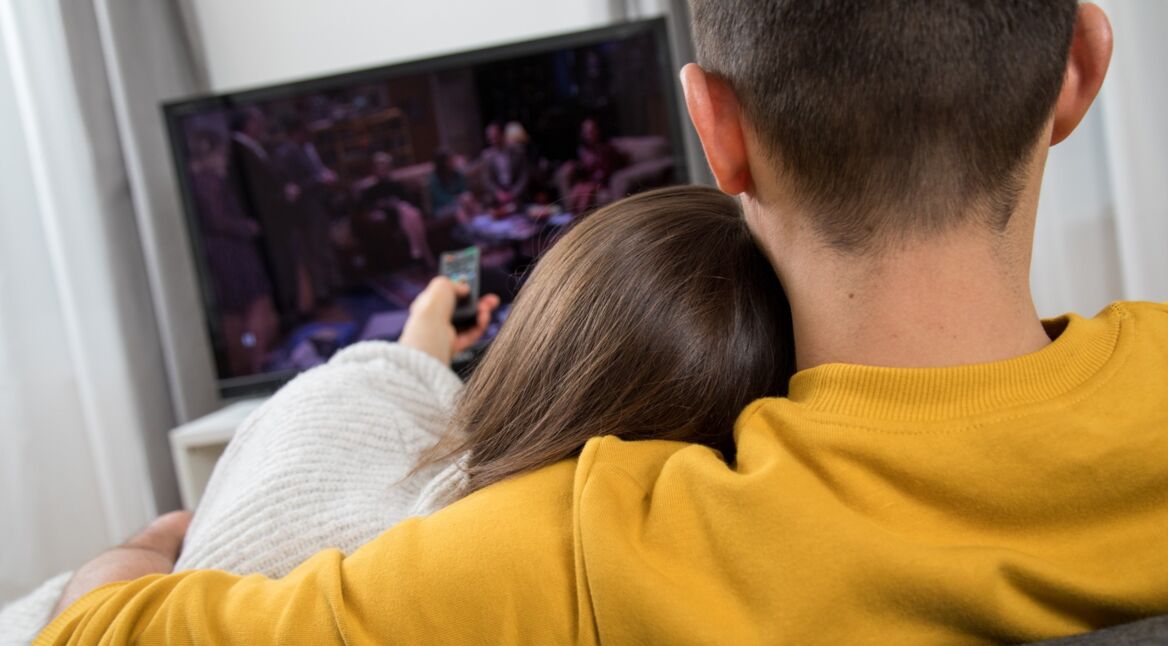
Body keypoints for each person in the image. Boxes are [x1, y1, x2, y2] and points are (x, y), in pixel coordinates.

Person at [38, 2, 1168, 644]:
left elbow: (92, 636)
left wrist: (133, 552)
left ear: (715, 132)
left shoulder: (576, 558)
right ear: (1081, 66)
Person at [189, 129, 278, 376]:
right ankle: (256, 361)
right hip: (230, 252)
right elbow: (218, 220)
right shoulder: (209, 181)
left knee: (239, 310)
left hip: (220, 253)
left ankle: (253, 359)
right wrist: (246, 227)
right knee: (254, 304)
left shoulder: (198, 181)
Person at [277, 116, 342, 305]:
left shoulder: (306, 149)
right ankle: (322, 291)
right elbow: (293, 186)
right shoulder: (287, 153)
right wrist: (319, 180)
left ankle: (333, 285)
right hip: (306, 210)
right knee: (314, 251)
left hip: (319, 205)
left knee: (323, 247)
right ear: (297, 131)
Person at [352, 151, 434, 267]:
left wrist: (397, 203)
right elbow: (366, 206)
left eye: (385, 167)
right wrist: (383, 204)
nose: (382, 170)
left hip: (406, 214)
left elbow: (408, 200)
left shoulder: (396, 185)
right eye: (379, 167)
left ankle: (417, 251)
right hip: (391, 218)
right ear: (374, 170)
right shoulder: (371, 190)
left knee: (411, 212)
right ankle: (425, 253)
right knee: (409, 213)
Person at [566, 118, 624, 213]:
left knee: (587, 191)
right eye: (585, 132)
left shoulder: (606, 149)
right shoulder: (584, 151)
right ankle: (571, 216)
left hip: (603, 182)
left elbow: (606, 171)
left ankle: (582, 217)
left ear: (598, 131)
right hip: (590, 181)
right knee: (577, 188)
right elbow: (584, 170)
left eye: (591, 131)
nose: (588, 135)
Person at [480, 121, 529, 208]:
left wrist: (514, 193)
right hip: (499, 191)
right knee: (488, 202)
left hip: (516, 189)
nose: (493, 139)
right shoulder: (487, 156)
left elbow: (524, 175)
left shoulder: (517, 151)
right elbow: (488, 180)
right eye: (490, 137)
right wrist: (498, 193)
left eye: (495, 136)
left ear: (502, 134)